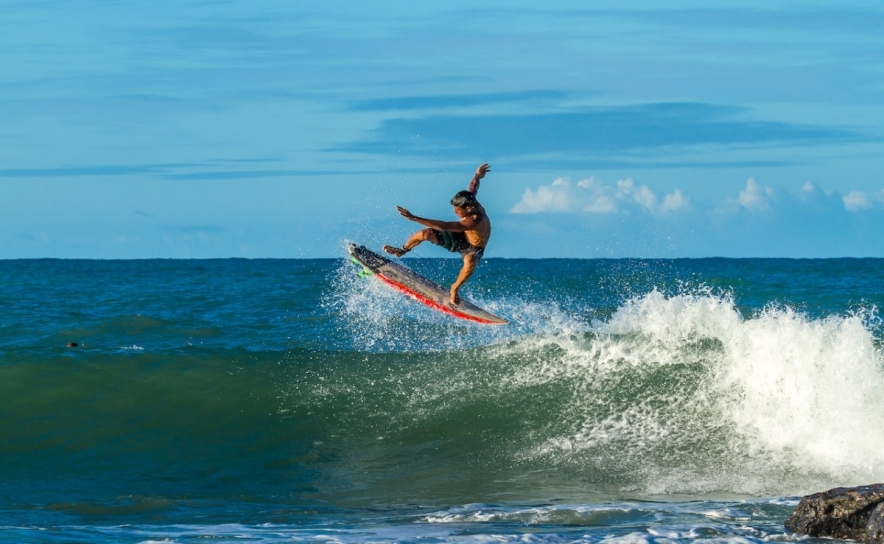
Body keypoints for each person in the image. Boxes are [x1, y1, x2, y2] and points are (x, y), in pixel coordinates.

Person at [383, 163, 492, 305]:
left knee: (471, 261)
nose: (455, 212)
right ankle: (402, 250)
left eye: (458, 211)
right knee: (425, 233)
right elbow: (473, 186)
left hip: (474, 247)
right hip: (462, 236)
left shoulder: (473, 221)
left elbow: (445, 226)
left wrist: (414, 218)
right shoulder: (470, 199)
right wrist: (478, 175)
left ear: (469, 208)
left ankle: (454, 288)